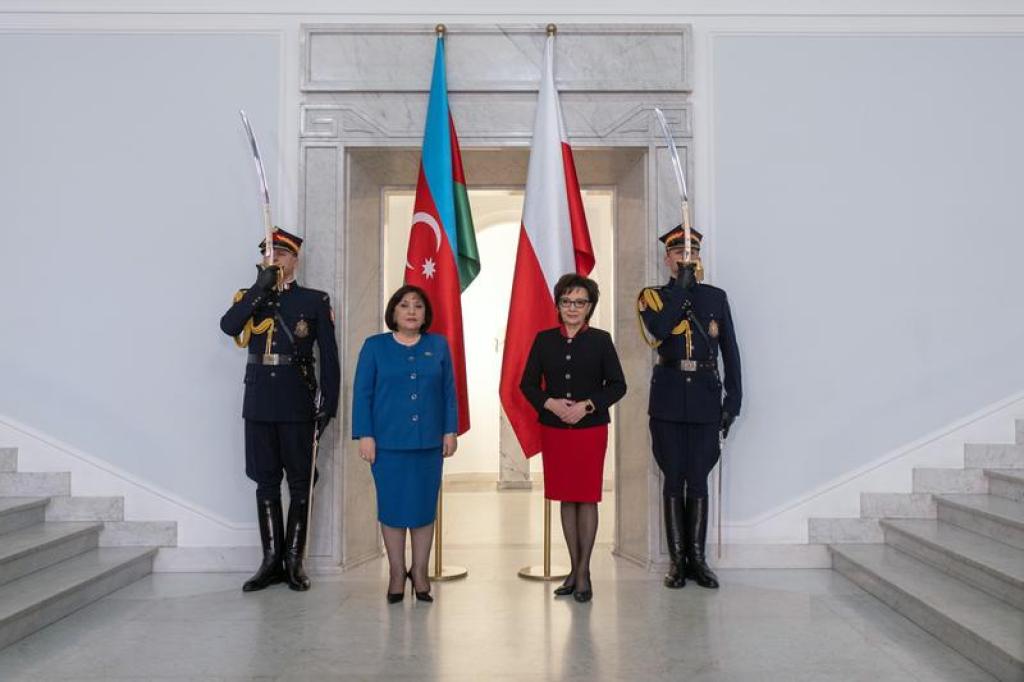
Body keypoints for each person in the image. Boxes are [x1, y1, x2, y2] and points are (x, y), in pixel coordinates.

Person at [220, 227, 340, 592]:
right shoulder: (252, 296)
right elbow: (229, 325)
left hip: (296, 401)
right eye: (268, 253)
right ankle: (270, 560)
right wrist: (260, 288)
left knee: (301, 482)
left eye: (281, 254)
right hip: (258, 402)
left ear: (295, 260)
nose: (273, 259)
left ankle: (294, 562)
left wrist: (329, 404)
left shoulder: (313, 300)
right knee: (266, 481)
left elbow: (329, 357)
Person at [638, 225, 741, 590]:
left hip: (705, 399)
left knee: (698, 477)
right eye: (680, 254)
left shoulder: (715, 297)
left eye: (693, 254)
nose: (687, 259)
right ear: (667, 259)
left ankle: (698, 560)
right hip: (667, 400)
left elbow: (730, 351)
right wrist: (681, 288)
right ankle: (677, 562)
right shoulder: (652, 297)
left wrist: (733, 401)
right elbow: (660, 331)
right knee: (673, 477)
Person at [520, 273, 627, 603]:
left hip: (590, 430)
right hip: (555, 431)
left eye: (580, 302)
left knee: (587, 498)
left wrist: (588, 405)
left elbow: (618, 385)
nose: (572, 308)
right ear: (558, 305)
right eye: (566, 301)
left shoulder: (601, 340)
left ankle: (583, 573)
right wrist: (549, 403)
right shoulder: (544, 340)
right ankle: (574, 569)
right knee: (567, 498)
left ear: (590, 307)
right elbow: (527, 384)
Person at [352, 285, 457, 604]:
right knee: (393, 509)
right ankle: (397, 573)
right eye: (404, 305)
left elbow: (449, 392)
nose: (411, 311)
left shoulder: (438, 345)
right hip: (387, 444)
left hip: (428, 444)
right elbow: (362, 393)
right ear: (393, 312)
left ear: (425, 314)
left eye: (418, 306)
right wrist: (365, 434)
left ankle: (420, 572)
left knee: (424, 509)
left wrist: (450, 430)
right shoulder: (375, 346)